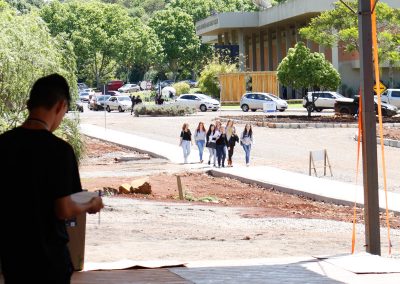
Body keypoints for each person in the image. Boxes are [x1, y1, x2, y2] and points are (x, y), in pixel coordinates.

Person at [0, 74, 104, 284]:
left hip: (13, 259)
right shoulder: (59, 151)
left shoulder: (3, 145)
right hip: (49, 261)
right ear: (60, 105)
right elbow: (64, 208)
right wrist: (91, 203)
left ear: (29, 104)